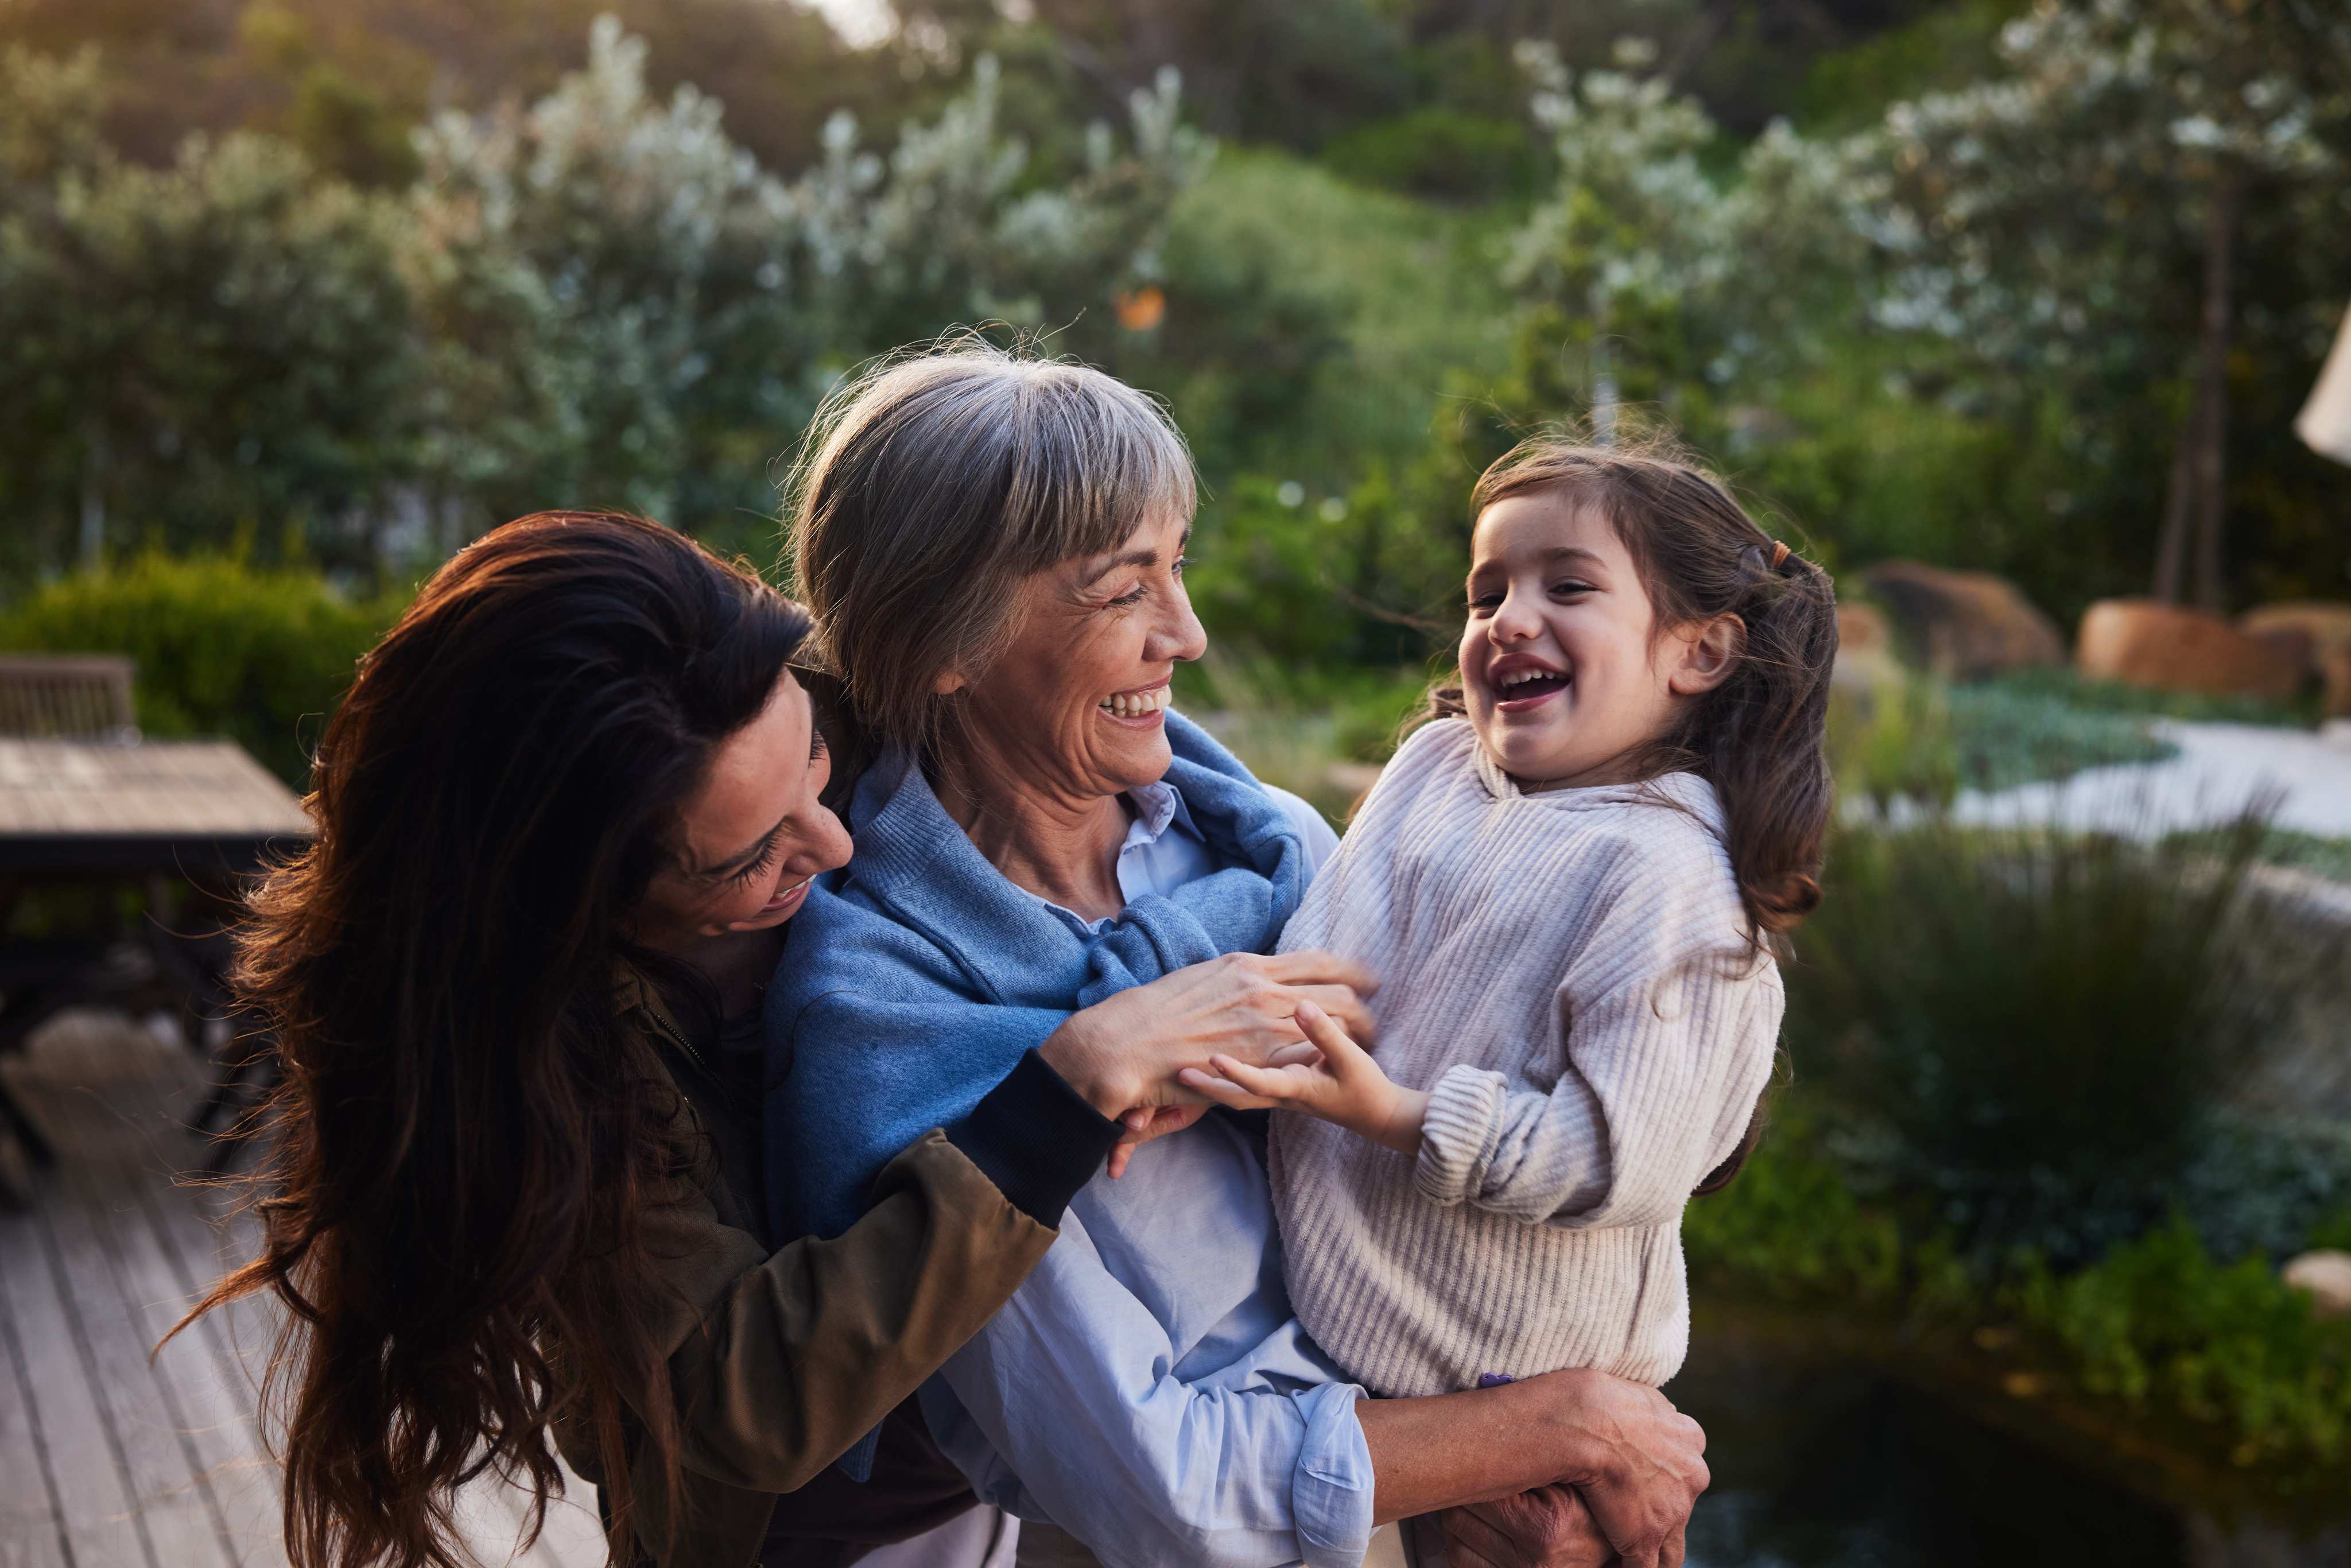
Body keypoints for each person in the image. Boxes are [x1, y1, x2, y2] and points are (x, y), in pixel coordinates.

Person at [176, 511, 1382, 1568]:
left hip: (1021, 1477)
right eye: (749, 856)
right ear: (575, 896)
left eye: (816, 765)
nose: (836, 843)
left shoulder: (818, 704)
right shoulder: (555, 1069)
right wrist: (1057, 1094)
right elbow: (736, 1395)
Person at [767, 344, 1713, 1568]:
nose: (1190, 633)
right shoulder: (897, 1023)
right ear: (945, 641)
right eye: (1125, 589)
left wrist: (1522, 1480)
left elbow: (1480, 1177)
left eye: (1179, 568)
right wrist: (1559, 1429)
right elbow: (1171, 1496)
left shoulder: (1268, 851)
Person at [1180, 441, 1837, 1435]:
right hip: (1333, 1360)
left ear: (1698, 651)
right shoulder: (1435, 769)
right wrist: (1198, 1068)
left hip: (1525, 1400)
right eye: (1488, 596)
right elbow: (1322, 964)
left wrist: (1397, 1113)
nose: (1510, 620)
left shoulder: (1666, 875)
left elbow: (1621, 1161)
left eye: (1568, 587)